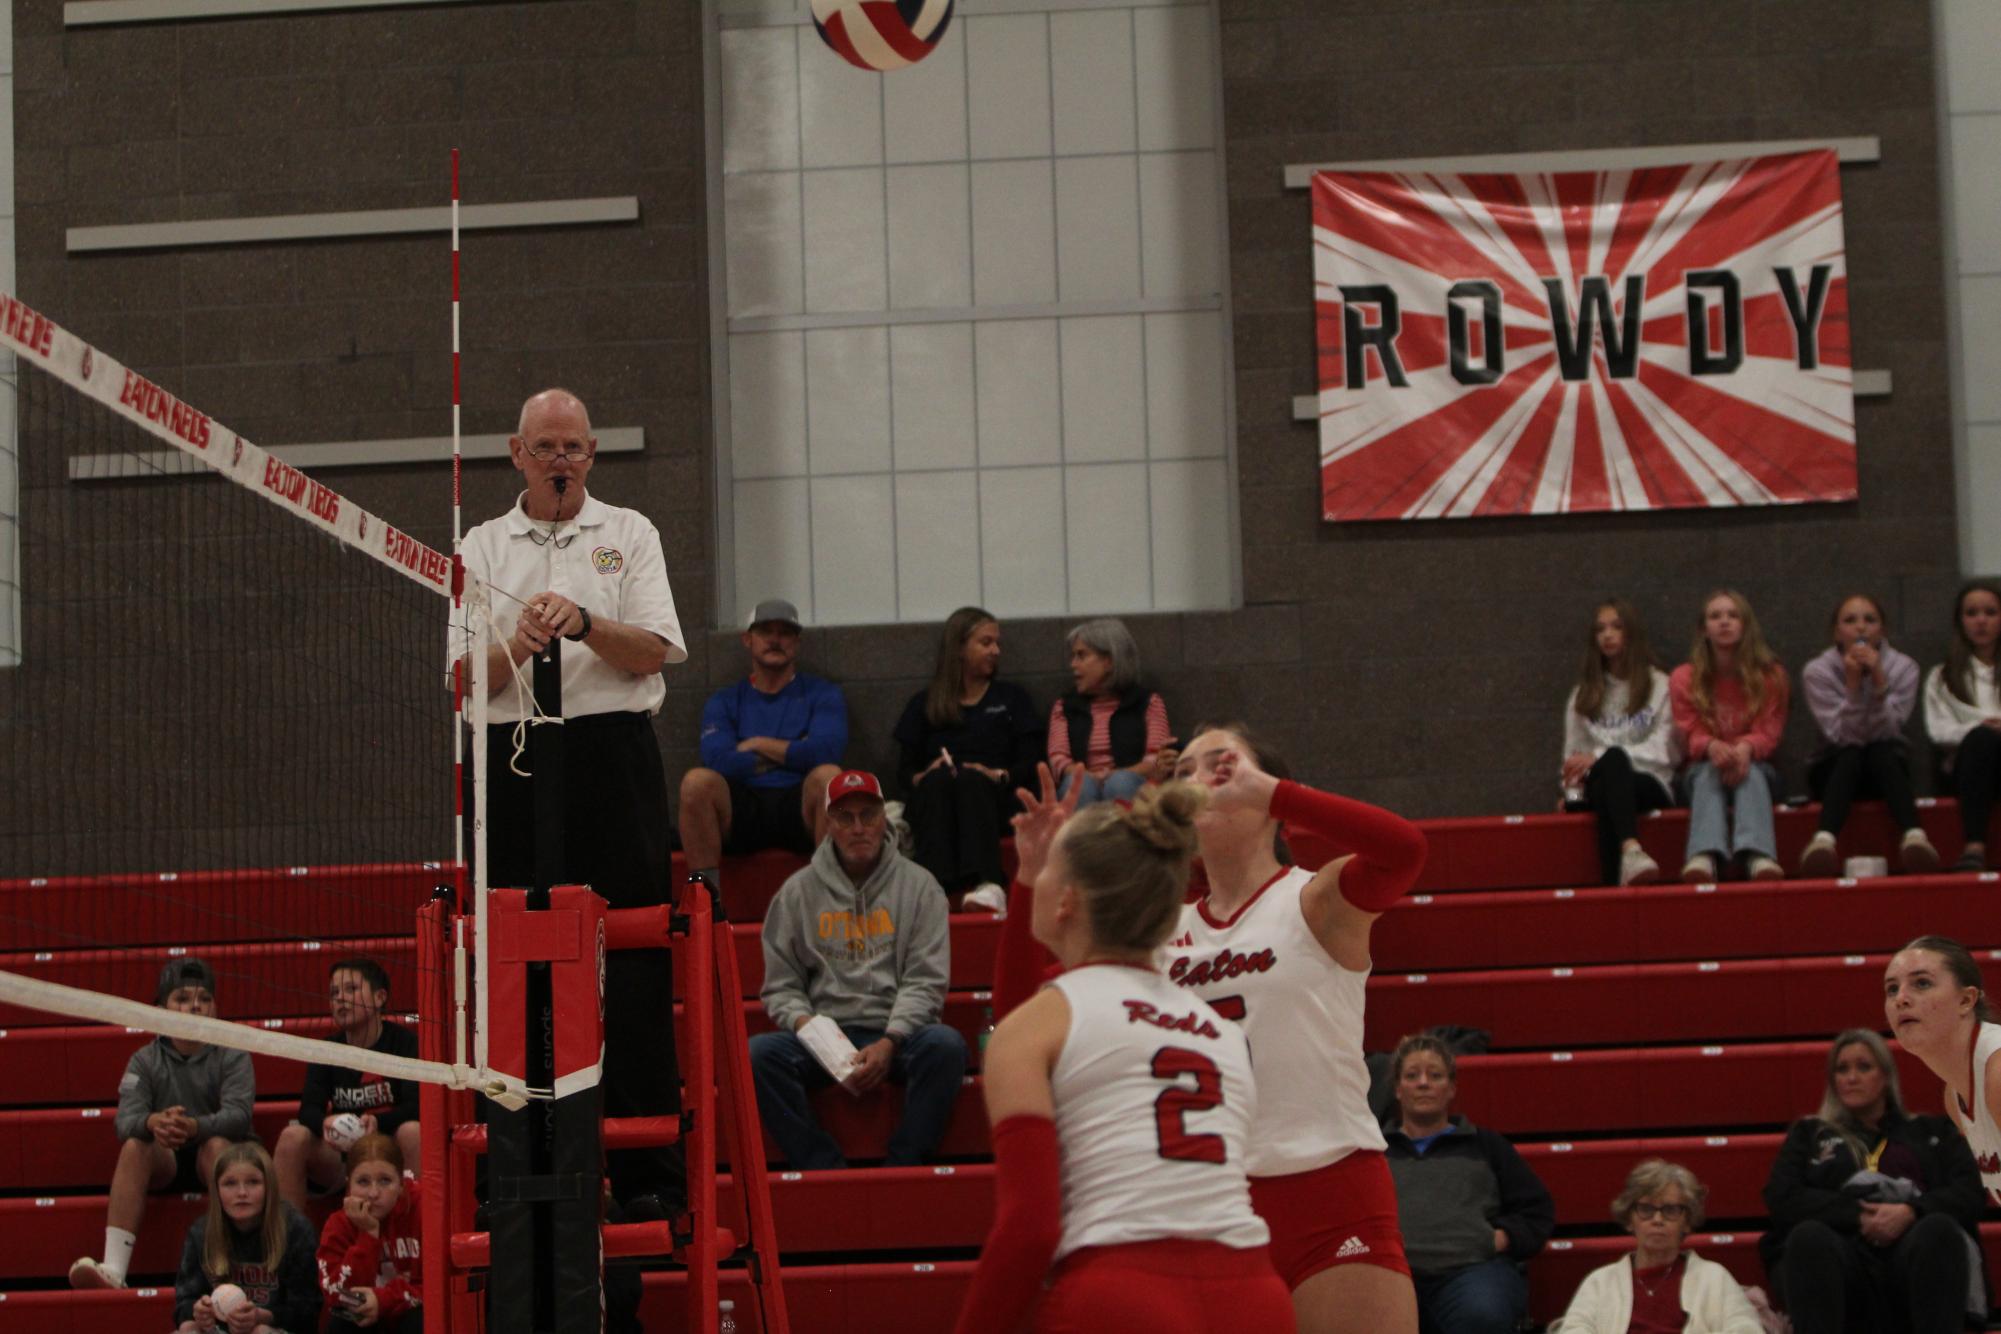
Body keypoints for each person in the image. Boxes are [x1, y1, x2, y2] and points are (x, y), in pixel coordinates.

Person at [457, 387, 688, 1215]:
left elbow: (656, 653)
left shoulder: (629, 534)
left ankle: (649, 1177)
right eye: (546, 448)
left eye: (575, 449)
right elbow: (458, 678)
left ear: (592, 455)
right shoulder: (481, 545)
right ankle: (514, 1170)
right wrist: (511, 645)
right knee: (515, 961)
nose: (561, 462)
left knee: (629, 957)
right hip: (515, 758)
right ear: (515, 453)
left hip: (608, 758)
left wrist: (587, 622)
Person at [951, 777, 1293, 1334]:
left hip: (1120, 1294)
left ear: (1066, 902)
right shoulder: (1220, 1033)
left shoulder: (1042, 1024)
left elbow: (1031, 1228)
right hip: (1254, 1297)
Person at [1161, 724, 1428, 1334]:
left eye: (1221, 768)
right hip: (1203, 1209)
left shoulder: (1314, 899)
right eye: (1184, 774)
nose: (1199, 783)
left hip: (1331, 1196)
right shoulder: (1158, 930)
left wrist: (1275, 793)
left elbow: (1405, 850)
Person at [749, 769, 967, 1169]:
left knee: (946, 1046)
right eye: (845, 817)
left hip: (898, 1037)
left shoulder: (921, 887)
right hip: (824, 1037)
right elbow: (781, 987)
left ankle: (904, 1163)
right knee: (758, 1055)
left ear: (885, 818)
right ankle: (821, 1165)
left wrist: (890, 1041)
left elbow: (926, 980)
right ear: (829, 823)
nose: (858, 827)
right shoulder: (797, 893)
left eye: (868, 815)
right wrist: (816, 1035)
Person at [1760, 1028, 1982, 1334]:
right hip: (1842, 1264)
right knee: (1808, 1236)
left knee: (1939, 1229)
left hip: (1911, 1261)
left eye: (1864, 1067)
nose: (1851, 1077)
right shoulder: (1810, 1134)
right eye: (1842, 1069)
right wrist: (1857, 1216)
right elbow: (1782, 1197)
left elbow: (1969, 1192)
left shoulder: (1931, 1131)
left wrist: (1911, 1212)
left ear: (1886, 1077)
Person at [68, 958, 254, 1292]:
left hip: (211, 1154)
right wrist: (154, 1121)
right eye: (182, 998)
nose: (195, 1006)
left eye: (204, 998)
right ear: (160, 1008)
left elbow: (240, 1116)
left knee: (219, 1149)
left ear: (215, 1007)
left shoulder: (233, 1053)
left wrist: (194, 1127)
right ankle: (113, 1269)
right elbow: (125, 1121)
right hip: (165, 1157)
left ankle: (231, 1269)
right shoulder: (144, 1059)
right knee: (135, 1144)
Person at [1381, 1034, 1553, 1334]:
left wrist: (1501, 1238)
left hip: (1472, 1271)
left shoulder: (1487, 1146)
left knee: (1482, 1315)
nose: (1423, 1083)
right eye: (1412, 1075)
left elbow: (1537, 1211)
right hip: (1393, 1275)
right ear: (1397, 1088)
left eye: (1435, 1075)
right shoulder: (1374, 1153)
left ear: (1451, 1088)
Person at [680, 598, 848, 877]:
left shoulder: (823, 694)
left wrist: (757, 744)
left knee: (828, 777)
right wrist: (795, 751)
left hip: (801, 806)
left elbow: (825, 753)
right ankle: (708, 904)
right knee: (696, 783)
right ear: (748, 639)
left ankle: (829, 898)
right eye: (765, 632)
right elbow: (719, 761)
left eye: (784, 633)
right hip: (742, 808)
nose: (775, 640)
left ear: (797, 641)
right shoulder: (724, 701)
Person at [892, 606, 1042, 911]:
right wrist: (921, 776)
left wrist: (998, 774)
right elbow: (905, 771)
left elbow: (1033, 761)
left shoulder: (1011, 698)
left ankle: (989, 883)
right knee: (938, 782)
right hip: (939, 796)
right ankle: (933, 888)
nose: (995, 651)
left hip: (996, 796)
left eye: (997, 643)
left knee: (971, 781)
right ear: (959, 648)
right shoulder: (926, 702)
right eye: (985, 643)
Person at [1798, 594, 1938, 877]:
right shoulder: (1818, 671)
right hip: (1833, 769)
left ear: (1883, 630)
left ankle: (1913, 836)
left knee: (1880, 750)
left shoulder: (1904, 667)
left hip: (1885, 769)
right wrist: (1852, 687)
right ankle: (1824, 841)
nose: (1861, 628)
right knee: (1853, 752)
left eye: (1870, 620)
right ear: (1837, 632)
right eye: (1850, 621)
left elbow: (1890, 729)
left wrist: (1879, 683)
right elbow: (1841, 736)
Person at [1547, 1159, 1761, 1333]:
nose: (1657, 1219)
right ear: (1630, 1219)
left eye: (1670, 1210)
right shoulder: (1600, 1282)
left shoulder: (1714, 1277)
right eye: (1646, 1209)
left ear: (1686, 1222)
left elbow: (1745, 1329)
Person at [273, 958, 419, 1210]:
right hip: (342, 1155)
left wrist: (378, 1123)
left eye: (351, 989)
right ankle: (290, 1244)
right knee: (292, 1137)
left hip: (389, 1151)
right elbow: (308, 1110)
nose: (341, 999)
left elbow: (417, 1106)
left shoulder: (405, 1043)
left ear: (379, 997)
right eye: (334, 993)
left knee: (413, 1131)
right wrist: (324, 1123)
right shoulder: (327, 1049)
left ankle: (416, 1235)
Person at [1669, 589, 1790, 882]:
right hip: (1700, 769)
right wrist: (1711, 746)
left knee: (1753, 775)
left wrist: (1745, 748)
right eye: (1715, 616)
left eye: (1733, 616)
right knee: (1708, 773)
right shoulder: (1684, 677)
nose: (1724, 622)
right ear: (1703, 629)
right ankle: (1703, 855)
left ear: (1746, 626)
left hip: (1758, 767)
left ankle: (1759, 856)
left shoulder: (1771, 676)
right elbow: (1688, 729)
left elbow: (1769, 732)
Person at [1560, 599, 1680, 886]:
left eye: (1616, 626)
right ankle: (1630, 857)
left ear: (1632, 633)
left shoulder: (1660, 685)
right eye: (1601, 629)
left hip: (1651, 783)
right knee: (1601, 785)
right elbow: (1572, 759)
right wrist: (1570, 795)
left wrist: (1601, 757)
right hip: (1595, 786)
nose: (1608, 635)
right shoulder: (1583, 694)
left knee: (1611, 764)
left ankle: (1615, 878)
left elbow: (1667, 752)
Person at [1882, 936, 2001, 1205]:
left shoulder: (1998, 1074)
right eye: (1891, 989)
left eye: (1921, 983)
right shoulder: (1955, 1096)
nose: (1900, 999)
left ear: (1966, 1000)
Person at [172, 1141, 320, 1334]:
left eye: (253, 1182)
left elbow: (307, 1311)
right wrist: (198, 1311)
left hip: (273, 1328)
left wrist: (263, 1316)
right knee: (188, 1329)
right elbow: (183, 1302)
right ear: (216, 1190)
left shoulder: (295, 1230)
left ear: (269, 1187)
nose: (242, 1193)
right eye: (230, 1183)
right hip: (221, 1328)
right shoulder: (202, 1232)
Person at [1046, 618, 1174, 809]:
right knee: (1079, 785)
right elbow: (1058, 760)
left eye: (1081, 656)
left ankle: (1124, 839)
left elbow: (1155, 758)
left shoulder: (1148, 703)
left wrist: (1111, 777)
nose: (1073, 664)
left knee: (1120, 783)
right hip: (1083, 782)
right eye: (1073, 656)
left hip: (1133, 783)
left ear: (1109, 661)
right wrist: (1093, 777)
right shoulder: (1064, 706)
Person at [1922, 580, 2001, 872]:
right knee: (1982, 739)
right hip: (1967, 766)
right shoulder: (1942, 676)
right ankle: (1974, 845)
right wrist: (1981, 727)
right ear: (1961, 620)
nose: (1981, 621)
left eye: (1990, 612)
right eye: (1972, 613)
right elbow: (1938, 731)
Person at [317, 1133, 423, 1333]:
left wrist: (383, 1299)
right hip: (367, 1320)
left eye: (385, 1181)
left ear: (401, 1184)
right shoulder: (338, 1224)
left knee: (419, 1320)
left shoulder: (423, 1210)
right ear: (349, 1186)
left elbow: (439, 1288)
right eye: (363, 1182)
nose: (373, 1193)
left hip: (408, 1314)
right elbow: (335, 1294)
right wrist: (368, 1234)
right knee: (343, 1320)